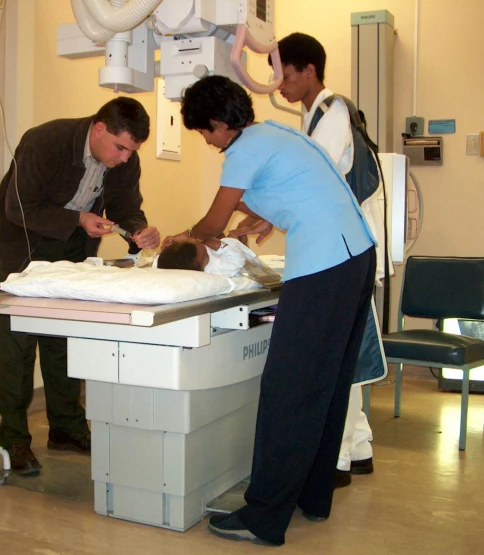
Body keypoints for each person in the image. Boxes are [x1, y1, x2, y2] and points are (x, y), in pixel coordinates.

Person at [170, 75, 376, 546]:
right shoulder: (276, 135)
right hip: (356, 257)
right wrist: (262, 217)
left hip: (326, 264)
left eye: (205, 132)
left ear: (220, 124)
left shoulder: (243, 149)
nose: (206, 141)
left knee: (288, 389)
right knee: (325, 384)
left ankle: (262, 516)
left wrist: (184, 236)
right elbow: (302, 188)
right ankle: (312, 497)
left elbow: (212, 223)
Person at [0, 97, 160, 475]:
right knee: (18, 341)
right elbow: (18, 208)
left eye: (132, 152)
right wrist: (78, 218)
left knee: (65, 338)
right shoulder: (45, 142)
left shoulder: (124, 159)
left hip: (72, 245)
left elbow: (125, 205)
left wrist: (138, 231)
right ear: (99, 129)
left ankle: (66, 428)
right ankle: (14, 439)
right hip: (24, 244)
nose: (124, 159)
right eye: (120, 148)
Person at [261, 32, 388, 489]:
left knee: (341, 354)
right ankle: (359, 448)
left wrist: (259, 212)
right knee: (352, 348)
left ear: (309, 70)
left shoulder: (333, 114)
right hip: (349, 249)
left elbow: (317, 183)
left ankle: (335, 457)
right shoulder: (315, 117)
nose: (278, 85)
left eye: (285, 75)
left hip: (347, 251)